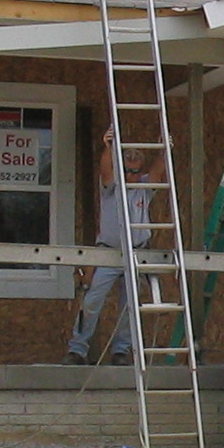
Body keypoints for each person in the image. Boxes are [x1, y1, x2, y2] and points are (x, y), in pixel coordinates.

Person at [65, 131, 161, 366]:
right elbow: (105, 170)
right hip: (109, 252)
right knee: (91, 302)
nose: (131, 175)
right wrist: (108, 146)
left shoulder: (144, 187)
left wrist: (163, 149)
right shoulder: (111, 186)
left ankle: (121, 351)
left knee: (129, 306)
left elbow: (159, 172)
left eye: (135, 171)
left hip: (136, 252)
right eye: (127, 170)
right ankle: (77, 349)